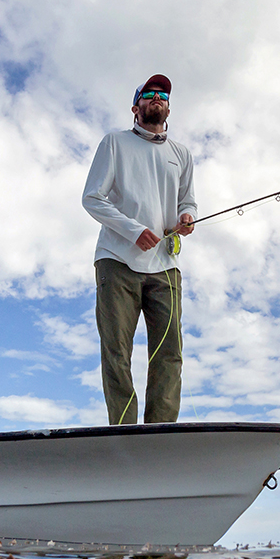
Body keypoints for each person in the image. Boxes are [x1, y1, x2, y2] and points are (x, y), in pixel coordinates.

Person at [82, 73, 197, 425]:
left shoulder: (182, 154)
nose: (157, 98)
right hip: (117, 261)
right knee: (117, 351)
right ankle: (124, 429)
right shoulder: (114, 143)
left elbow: (187, 201)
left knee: (169, 352)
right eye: (149, 94)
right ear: (136, 107)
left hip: (165, 265)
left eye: (162, 94)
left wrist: (187, 217)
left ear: (168, 108)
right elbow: (92, 198)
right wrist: (133, 231)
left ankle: (159, 431)